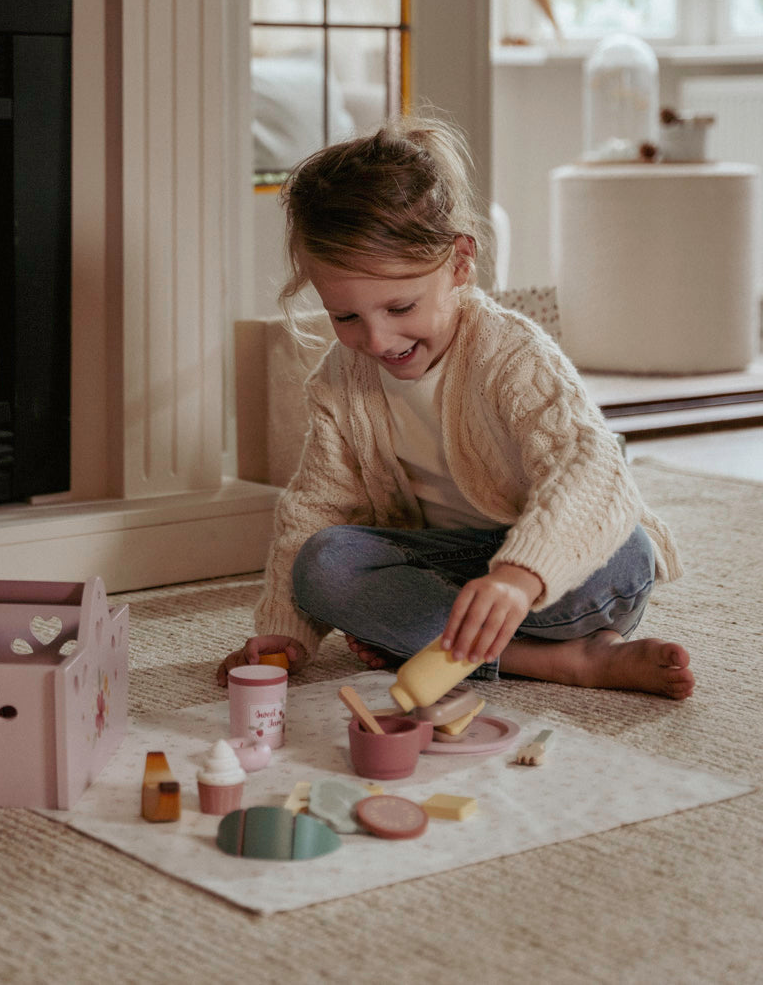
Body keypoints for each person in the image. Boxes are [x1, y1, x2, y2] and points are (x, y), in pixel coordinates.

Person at [218, 114, 694, 701]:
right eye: (346, 317)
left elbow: (591, 470)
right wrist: (284, 633)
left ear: (460, 264)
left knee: (626, 551)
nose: (377, 340)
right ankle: (566, 664)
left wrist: (518, 579)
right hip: (447, 576)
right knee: (323, 562)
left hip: (548, 576)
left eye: (399, 306)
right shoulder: (339, 383)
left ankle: (432, 643)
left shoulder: (511, 353)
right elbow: (316, 509)